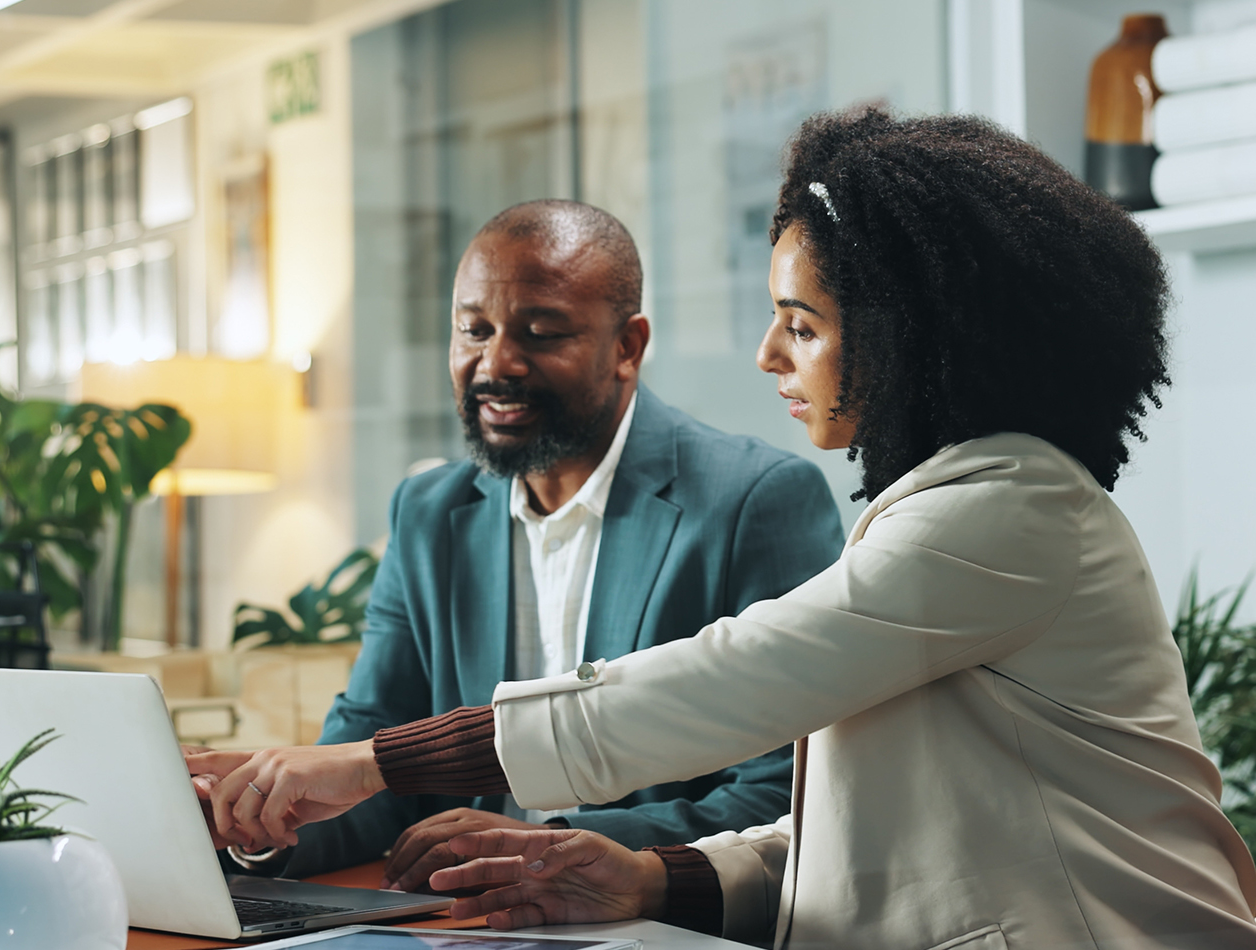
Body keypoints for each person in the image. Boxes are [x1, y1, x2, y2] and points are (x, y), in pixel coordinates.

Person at [188, 111, 1256, 950]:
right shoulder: (953, 503)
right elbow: (869, 831)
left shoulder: (1012, 510)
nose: (768, 355)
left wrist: (373, 763)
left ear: (910, 340)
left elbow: (712, 682)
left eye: (801, 324)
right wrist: (652, 875)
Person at [211, 199, 844, 888]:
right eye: (473, 330)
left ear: (627, 347)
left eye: (541, 332)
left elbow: (788, 788)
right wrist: (260, 826)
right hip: (460, 929)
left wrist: (554, 845)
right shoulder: (428, 512)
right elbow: (367, 760)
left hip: (661, 928)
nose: (497, 363)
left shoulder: (756, 499)